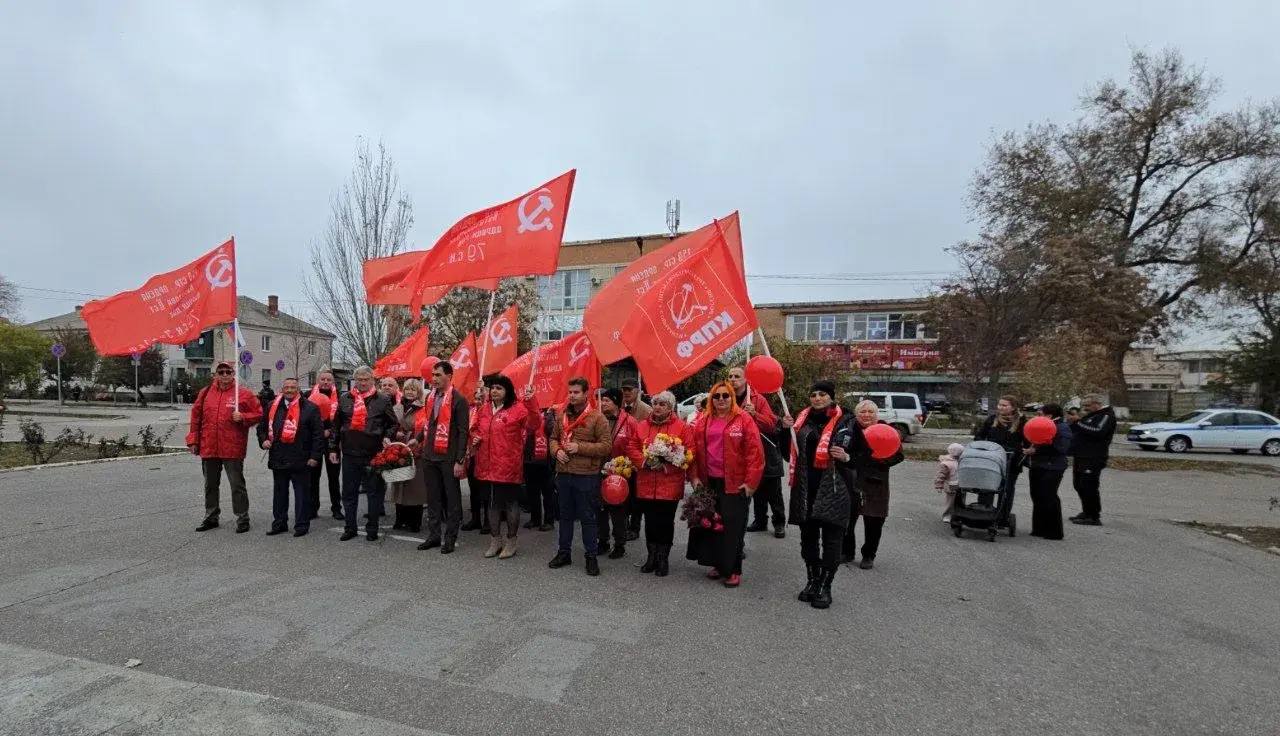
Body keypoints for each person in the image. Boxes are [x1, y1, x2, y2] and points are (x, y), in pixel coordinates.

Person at [787, 380, 857, 609]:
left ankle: (826, 585)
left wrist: (847, 458)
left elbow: (864, 454)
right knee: (808, 539)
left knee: (832, 540)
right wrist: (784, 430)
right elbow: (789, 454)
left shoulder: (847, 421)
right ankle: (812, 581)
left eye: (822, 395)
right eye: (814, 394)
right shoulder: (801, 421)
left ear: (831, 397)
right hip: (806, 488)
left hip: (835, 490)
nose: (817, 398)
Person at [688, 381, 765, 588]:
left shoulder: (744, 419)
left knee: (733, 528)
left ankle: (732, 569)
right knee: (712, 524)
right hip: (709, 482)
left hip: (735, 484)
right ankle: (718, 563)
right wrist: (694, 477)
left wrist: (751, 483)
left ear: (732, 398)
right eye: (716, 396)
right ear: (711, 399)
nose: (721, 399)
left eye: (725, 396)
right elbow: (693, 451)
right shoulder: (703, 421)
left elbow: (755, 454)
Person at [186, 361, 263, 533]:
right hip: (209, 446)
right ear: (215, 374)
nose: (225, 375)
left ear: (233, 373)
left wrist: (243, 417)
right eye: (221, 372)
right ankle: (211, 516)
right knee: (210, 485)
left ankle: (242, 517)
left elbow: (259, 413)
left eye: (228, 371)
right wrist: (193, 440)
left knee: (237, 485)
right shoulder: (205, 393)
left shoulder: (243, 394)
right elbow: (196, 418)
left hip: (232, 448)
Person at [469, 375, 539, 559]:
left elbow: (534, 424)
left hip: (508, 467)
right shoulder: (484, 409)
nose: (494, 391)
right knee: (491, 504)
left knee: (510, 504)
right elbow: (474, 428)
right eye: (492, 388)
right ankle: (495, 540)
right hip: (486, 466)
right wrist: (475, 437)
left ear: (508, 391)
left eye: (499, 388)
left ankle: (511, 540)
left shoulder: (518, 409)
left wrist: (531, 402)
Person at [547, 377, 611, 576]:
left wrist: (579, 447)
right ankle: (563, 552)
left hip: (586, 475)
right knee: (564, 516)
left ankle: (591, 557)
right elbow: (553, 439)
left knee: (587, 517)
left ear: (585, 394)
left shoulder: (597, 417)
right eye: (570, 392)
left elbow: (606, 446)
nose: (572, 396)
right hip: (564, 473)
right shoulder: (561, 415)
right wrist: (556, 451)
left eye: (576, 392)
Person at [625, 390, 691, 578]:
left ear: (671, 407)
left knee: (665, 522)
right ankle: (651, 556)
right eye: (656, 403)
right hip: (646, 483)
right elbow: (632, 446)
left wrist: (668, 464)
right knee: (650, 522)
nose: (658, 407)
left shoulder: (682, 427)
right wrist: (644, 462)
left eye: (663, 404)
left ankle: (663, 558)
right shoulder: (642, 425)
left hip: (669, 484)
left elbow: (689, 451)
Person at [330, 366, 397, 542]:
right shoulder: (345, 399)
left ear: (372, 380)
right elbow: (336, 427)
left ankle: (372, 528)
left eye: (366, 379)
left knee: (374, 493)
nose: (362, 382)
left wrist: (388, 437)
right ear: (355, 380)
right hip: (350, 454)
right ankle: (350, 527)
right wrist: (332, 448)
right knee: (349, 493)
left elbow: (393, 424)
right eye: (359, 379)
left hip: (373, 454)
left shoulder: (383, 399)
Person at [256, 377, 324, 537]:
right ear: (282, 389)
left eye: (293, 387)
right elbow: (262, 427)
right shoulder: (272, 405)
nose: (289, 390)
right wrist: (263, 439)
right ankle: (279, 523)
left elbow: (318, 435)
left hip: (301, 458)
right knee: (279, 493)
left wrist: (315, 456)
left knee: (301, 494)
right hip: (278, 456)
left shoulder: (310, 408)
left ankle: (301, 525)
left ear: (298, 389)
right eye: (287, 387)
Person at [415, 361, 470, 553]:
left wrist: (460, 460)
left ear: (449, 376)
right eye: (433, 375)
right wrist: (418, 439)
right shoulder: (430, 397)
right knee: (433, 498)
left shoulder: (459, 400)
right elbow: (428, 424)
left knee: (452, 499)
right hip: (430, 456)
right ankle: (434, 535)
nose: (434, 378)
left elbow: (464, 432)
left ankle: (450, 538)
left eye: (438, 375)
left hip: (448, 457)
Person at [727, 365, 788, 538]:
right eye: (730, 376)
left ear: (746, 379)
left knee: (773, 492)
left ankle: (779, 523)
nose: (732, 379)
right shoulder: (726, 398)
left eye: (737, 376)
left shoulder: (757, 399)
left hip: (766, 452)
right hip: (744, 454)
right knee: (756, 489)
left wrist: (755, 414)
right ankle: (760, 521)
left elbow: (771, 425)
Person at [845, 398, 905, 569]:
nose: (866, 415)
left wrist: (878, 461)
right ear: (857, 415)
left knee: (874, 521)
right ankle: (847, 552)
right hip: (853, 480)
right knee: (847, 519)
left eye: (870, 412)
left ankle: (869, 555)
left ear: (876, 414)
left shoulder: (886, 430)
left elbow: (899, 455)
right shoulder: (850, 430)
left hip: (876, 482)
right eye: (862, 412)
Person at [598, 387, 640, 560]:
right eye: (602, 400)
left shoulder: (629, 422)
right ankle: (602, 541)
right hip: (598, 471)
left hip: (620, 474)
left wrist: (624, 466)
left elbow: (635, 446)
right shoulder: (597, 419)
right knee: (599, 509)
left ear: (616, 402)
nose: (603, 403)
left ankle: (620, 544)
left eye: (606, 400)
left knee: (618, 512)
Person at [974, 395, 1025, 526]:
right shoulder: (992, 419)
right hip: (991, 459)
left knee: (1006, 490)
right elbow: (980, 435)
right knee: (987, 487)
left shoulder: (1022, 421)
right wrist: (981, 446)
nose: (1000, 407)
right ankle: (983, 515)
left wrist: (1021, 451)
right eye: (999, 404)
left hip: (1011, 461)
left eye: (1004, 405)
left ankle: (1003, 518)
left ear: (1013, 407)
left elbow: (1027, 441)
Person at [1024, 403, 1073, 540]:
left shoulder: (1062, 428)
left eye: (1040, 414)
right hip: (1038, 465)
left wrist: (1037, 450)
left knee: (1049, 496)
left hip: (1053, 466)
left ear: (1049, 415)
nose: (1037, 417)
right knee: (1037, 496)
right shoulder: (1042, 426)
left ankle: (1054, 531)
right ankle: (1039, 528)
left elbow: (1062, 448)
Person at [388, 378, 429, 533]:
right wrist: (394, 432)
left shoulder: (424, 408)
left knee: (415, 487)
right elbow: (391, 425)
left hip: (416, 449)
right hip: (399, 449)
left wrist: (413, 437)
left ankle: (415, 521)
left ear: (418, 392)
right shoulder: (396, 407)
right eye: (407, 389)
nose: (410, 392)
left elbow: (426, 429)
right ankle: (400, 519)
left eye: (413, 389)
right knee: (399, 484)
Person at [1069, 393, 1115, 526]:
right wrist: (1074, 422)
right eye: (1084, 405)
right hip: (1081, 455)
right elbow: (1079, 430)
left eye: (1088, 405)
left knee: (1089, 486)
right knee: (1079, 485)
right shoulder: (1092, 415)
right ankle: (1086, 511)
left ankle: (1094, 516)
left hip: (1093, 457)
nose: (1085, 408)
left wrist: (1078, 421)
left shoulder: (1106, 415)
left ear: (1097, 404)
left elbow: (1097, 431)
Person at [306, 369, 344, 521]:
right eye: (323, 379)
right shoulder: (308, 396)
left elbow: (342, 420)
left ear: (333, 382)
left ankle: (336, 508)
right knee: (313, 477)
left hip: (332, 443)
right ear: (318, 381)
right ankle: (312, 508)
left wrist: (331, 432)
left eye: (329, 379)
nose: (326, 382)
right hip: (314, 442)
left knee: (333, 477)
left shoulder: (341, 397)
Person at [619, 378, 650, 539]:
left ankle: (634, 528)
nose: (626, 393)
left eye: (629, 390)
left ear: (637, 391)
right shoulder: (619, 408)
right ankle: (622, 525)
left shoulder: (646, 411)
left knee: (636, 497)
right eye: (624, 390)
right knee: (621, 494)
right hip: (620, 459)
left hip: (637, 459)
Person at [522, 406, 557, 532]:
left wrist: (548, 416)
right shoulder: (525, 413)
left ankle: (549, 521)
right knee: (532, 491)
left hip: (544, 460)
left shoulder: (548, 414)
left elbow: (553, 431)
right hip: (528, 459)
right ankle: (535, 518)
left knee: (548, 492)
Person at [934, 442, 964, 523]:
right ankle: (947, 515)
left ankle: (958, 514)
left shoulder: (961, 461)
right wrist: (939, 486)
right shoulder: (946, 463)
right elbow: (940, 476)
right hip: (950, 486)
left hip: (960, 485)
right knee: (950, 502)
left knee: (960, 501)